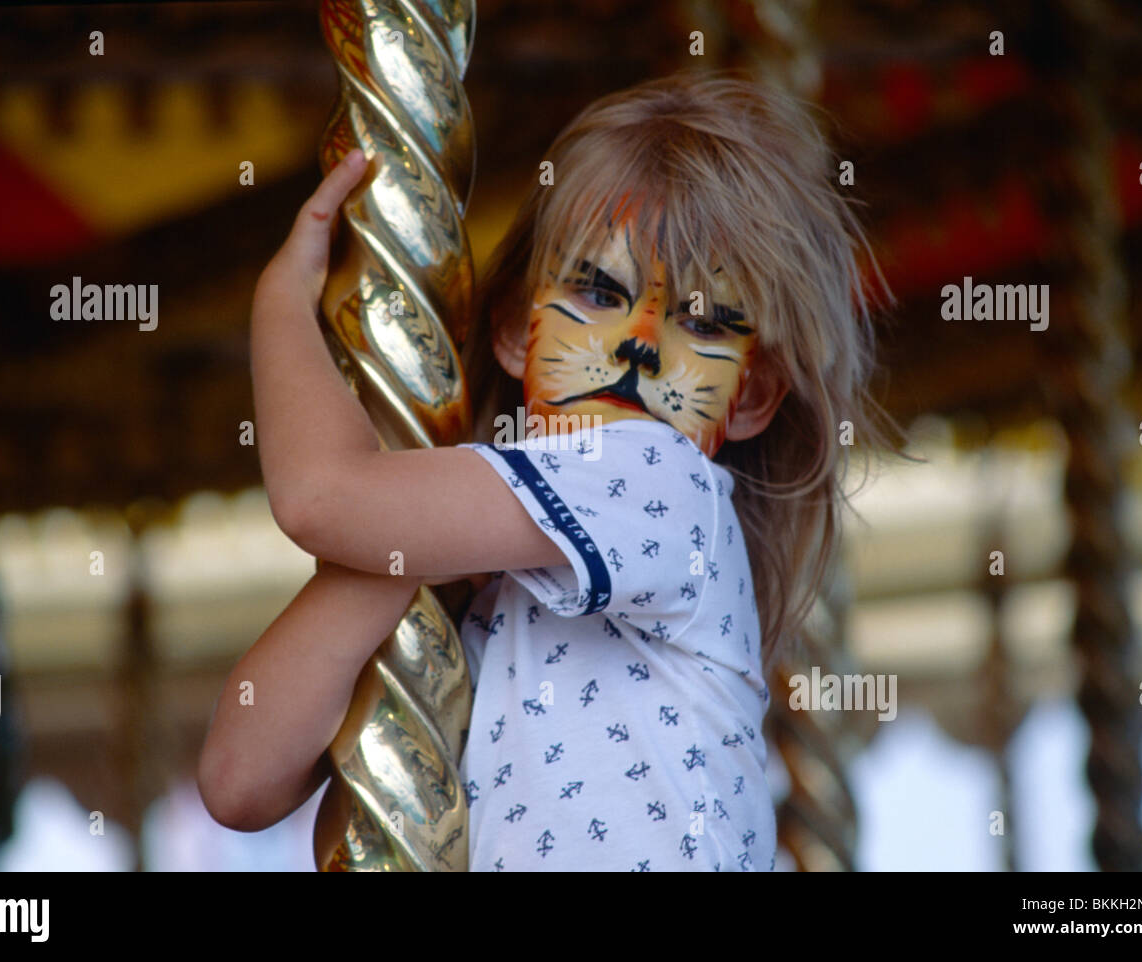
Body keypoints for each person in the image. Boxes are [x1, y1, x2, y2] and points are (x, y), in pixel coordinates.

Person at [198, 68, 893, 871]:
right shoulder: (494, 588)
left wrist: (280, 306)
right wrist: (404, 545)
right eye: (599, 291)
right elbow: (239, 780)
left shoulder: (668, 486)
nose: (639, 342)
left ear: (750, 397)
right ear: (515, 332)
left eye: (702, 320)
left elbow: (321, 495)